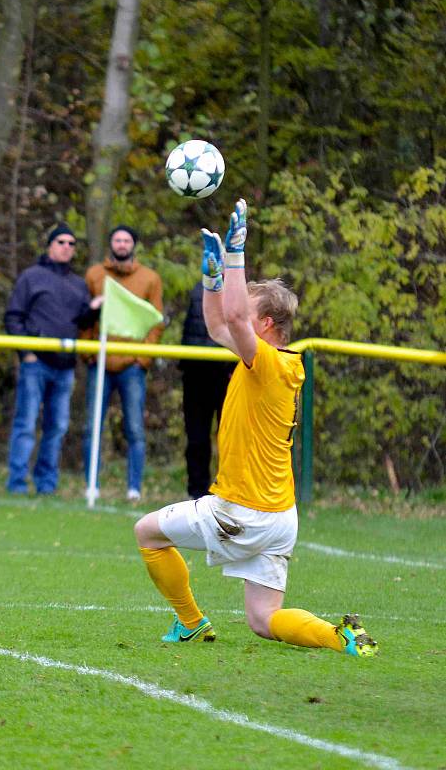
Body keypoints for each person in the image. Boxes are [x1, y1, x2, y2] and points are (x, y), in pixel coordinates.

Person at [134, 199, 377, 657]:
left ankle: (189, 623)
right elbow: (215, 322)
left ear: (265, 324)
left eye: (247, 307)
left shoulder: (265, 362)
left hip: (243, 510)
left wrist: (235, 253)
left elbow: (232, 319)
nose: (237, 308)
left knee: (147, 532)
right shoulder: (275, 362)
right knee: (263, 621)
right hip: (280, 515)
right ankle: (339, 636)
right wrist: (212, 278)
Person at [4, 223, 102, 494]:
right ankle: (17, 483)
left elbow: (80, 321)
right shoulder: (31, 277)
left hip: (65, 366)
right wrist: (27, 354)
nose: (67, 247)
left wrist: (94, 309)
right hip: (36, 364)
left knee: (57, 427)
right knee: (26, 424)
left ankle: (46, 484)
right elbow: (13, 318)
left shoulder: (78, 284)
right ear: (49, 245)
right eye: (61, 242)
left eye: (72, 244)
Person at [80, 225, 163, 502]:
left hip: (131, 366)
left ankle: (133, 488)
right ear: (110, 244)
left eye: (127, 240)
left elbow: (155, 322)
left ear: (134, 245)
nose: (122, 244)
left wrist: (143, 358)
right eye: (117, 239)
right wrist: (89, 353)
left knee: (135, 428)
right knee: (93, 426)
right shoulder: (94, 274)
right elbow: (83, 315)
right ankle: (91, 485)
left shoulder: (150, 278)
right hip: (100, 362)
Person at [179, 281, 233, 499]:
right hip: (196, 373)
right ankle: (197, 492)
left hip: (226, 374)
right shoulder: (196, 289)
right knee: (196, 438)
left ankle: (229, 490)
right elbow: (190, 330)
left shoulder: (241, 291)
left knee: (230, 437)